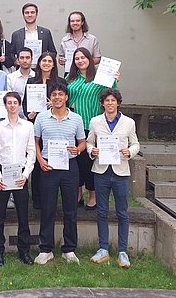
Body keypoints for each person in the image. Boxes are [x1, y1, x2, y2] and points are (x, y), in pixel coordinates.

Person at [33, 82, 86, 265]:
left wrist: (77, 150)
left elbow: (82, 142)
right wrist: (40, 161)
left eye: (60, 94)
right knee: (48, 208)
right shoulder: (41, 117)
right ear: (50, 98)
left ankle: (69, 249)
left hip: (70, 167)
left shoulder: (76, 119)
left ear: (66, 97)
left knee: (70, 209)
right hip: (48, 167)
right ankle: (45, 249)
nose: (57, 97)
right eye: (53, 94)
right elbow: (35, 142)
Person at [87, 89, 139, 269]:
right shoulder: (95, 121)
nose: (109, 103)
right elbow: (89, 142)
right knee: (101, 211)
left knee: (122, 212)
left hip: (121, 172)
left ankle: (122, 251)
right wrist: (91, 151)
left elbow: (136, 144)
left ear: (118, 103)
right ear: (102, 103)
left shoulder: (129, 123)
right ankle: (103, 249)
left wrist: (130, 152)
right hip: (101, 171)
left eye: (113, 100)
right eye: (106, 100)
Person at [67, 47, 118, 209]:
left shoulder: (99, 78)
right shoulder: (70, 78)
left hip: (91, 125)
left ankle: (93, 194)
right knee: (75, 161)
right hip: (74, 125)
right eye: (77, 58)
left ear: (89, 59)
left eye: (83, 57)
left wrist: (115, 79)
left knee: (89, 162)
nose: (80, 60)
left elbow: (111, 93)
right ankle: (78, 192)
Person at [0, 92, 36, 266]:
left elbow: (31, 152)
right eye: (9, 103)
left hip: (20, 175)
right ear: (5, 105)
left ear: (19, 104)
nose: (12, 105)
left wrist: (26, 175)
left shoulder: (27, 126)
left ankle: (24, 251)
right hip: (3, 173)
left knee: (23, 215)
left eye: (15, 102)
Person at [22, 51, 67, 209]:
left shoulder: (60, 81)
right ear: (39, 63)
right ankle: (37, 198)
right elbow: (25, 103)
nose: (46, 63)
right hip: (36, 124)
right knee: (36, 158)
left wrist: (52, 105)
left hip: (55, 125)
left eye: (49, 61)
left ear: (54, 64)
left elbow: (64, 102)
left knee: (52, 158)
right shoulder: (31, 81)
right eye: (43, 61)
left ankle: (53, 195)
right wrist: (30, 113)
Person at [7, 48, 35, 118]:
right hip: (16, 117)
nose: (25, 60)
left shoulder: (37, 77)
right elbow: (9, 99)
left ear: (32, 59)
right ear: (18, 60)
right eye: (22, 58)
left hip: (34, 117)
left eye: (27, 58)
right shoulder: (10, 78)